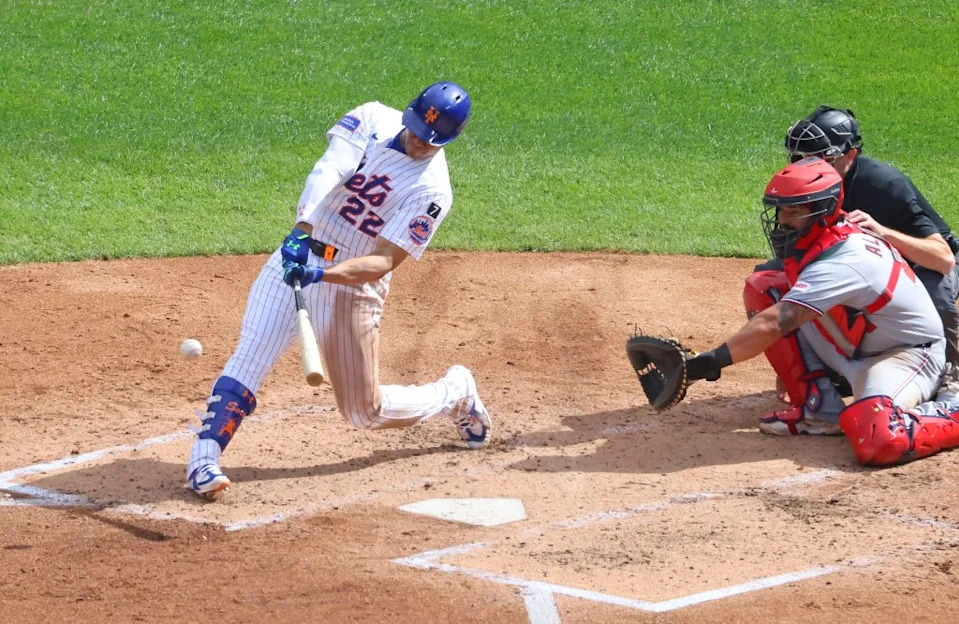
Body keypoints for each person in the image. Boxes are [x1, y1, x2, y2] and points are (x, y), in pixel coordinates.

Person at [185, 81, 491, 500]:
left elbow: (383, 261)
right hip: (299, 252)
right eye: (417, 129)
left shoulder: (432, 191)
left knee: (364, 411)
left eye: (431, 140)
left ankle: (455, 394)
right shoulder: (370, 118)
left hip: (352, 285)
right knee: (253, 351)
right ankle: (203, 459)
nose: (420, 141)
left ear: (451, 140)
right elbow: (329, 168)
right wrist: (302, 227)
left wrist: (320, 277)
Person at [681, 157, 959, 465]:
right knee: (765, 287)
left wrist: (706, 363)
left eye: (794, 211)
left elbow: (776, 322)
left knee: (880, 437)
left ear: (823, 210)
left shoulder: (846, 259)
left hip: (905, 356)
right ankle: (818, 409)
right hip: (854, 344)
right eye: (781, 209)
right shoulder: (825, 237)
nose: (782, 219)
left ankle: (952, 407)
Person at [783, 106, 959, 365]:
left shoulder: (884, 185)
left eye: (822, 157)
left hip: (924, 262)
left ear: (850, 155)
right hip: (870, 264)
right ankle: (821, 369)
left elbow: (943, 259)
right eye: (801, 158)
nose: (809, 166)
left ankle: (949, 375)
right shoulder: (805, 188)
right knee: (782, 280)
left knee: (932, 294)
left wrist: (884, 232)